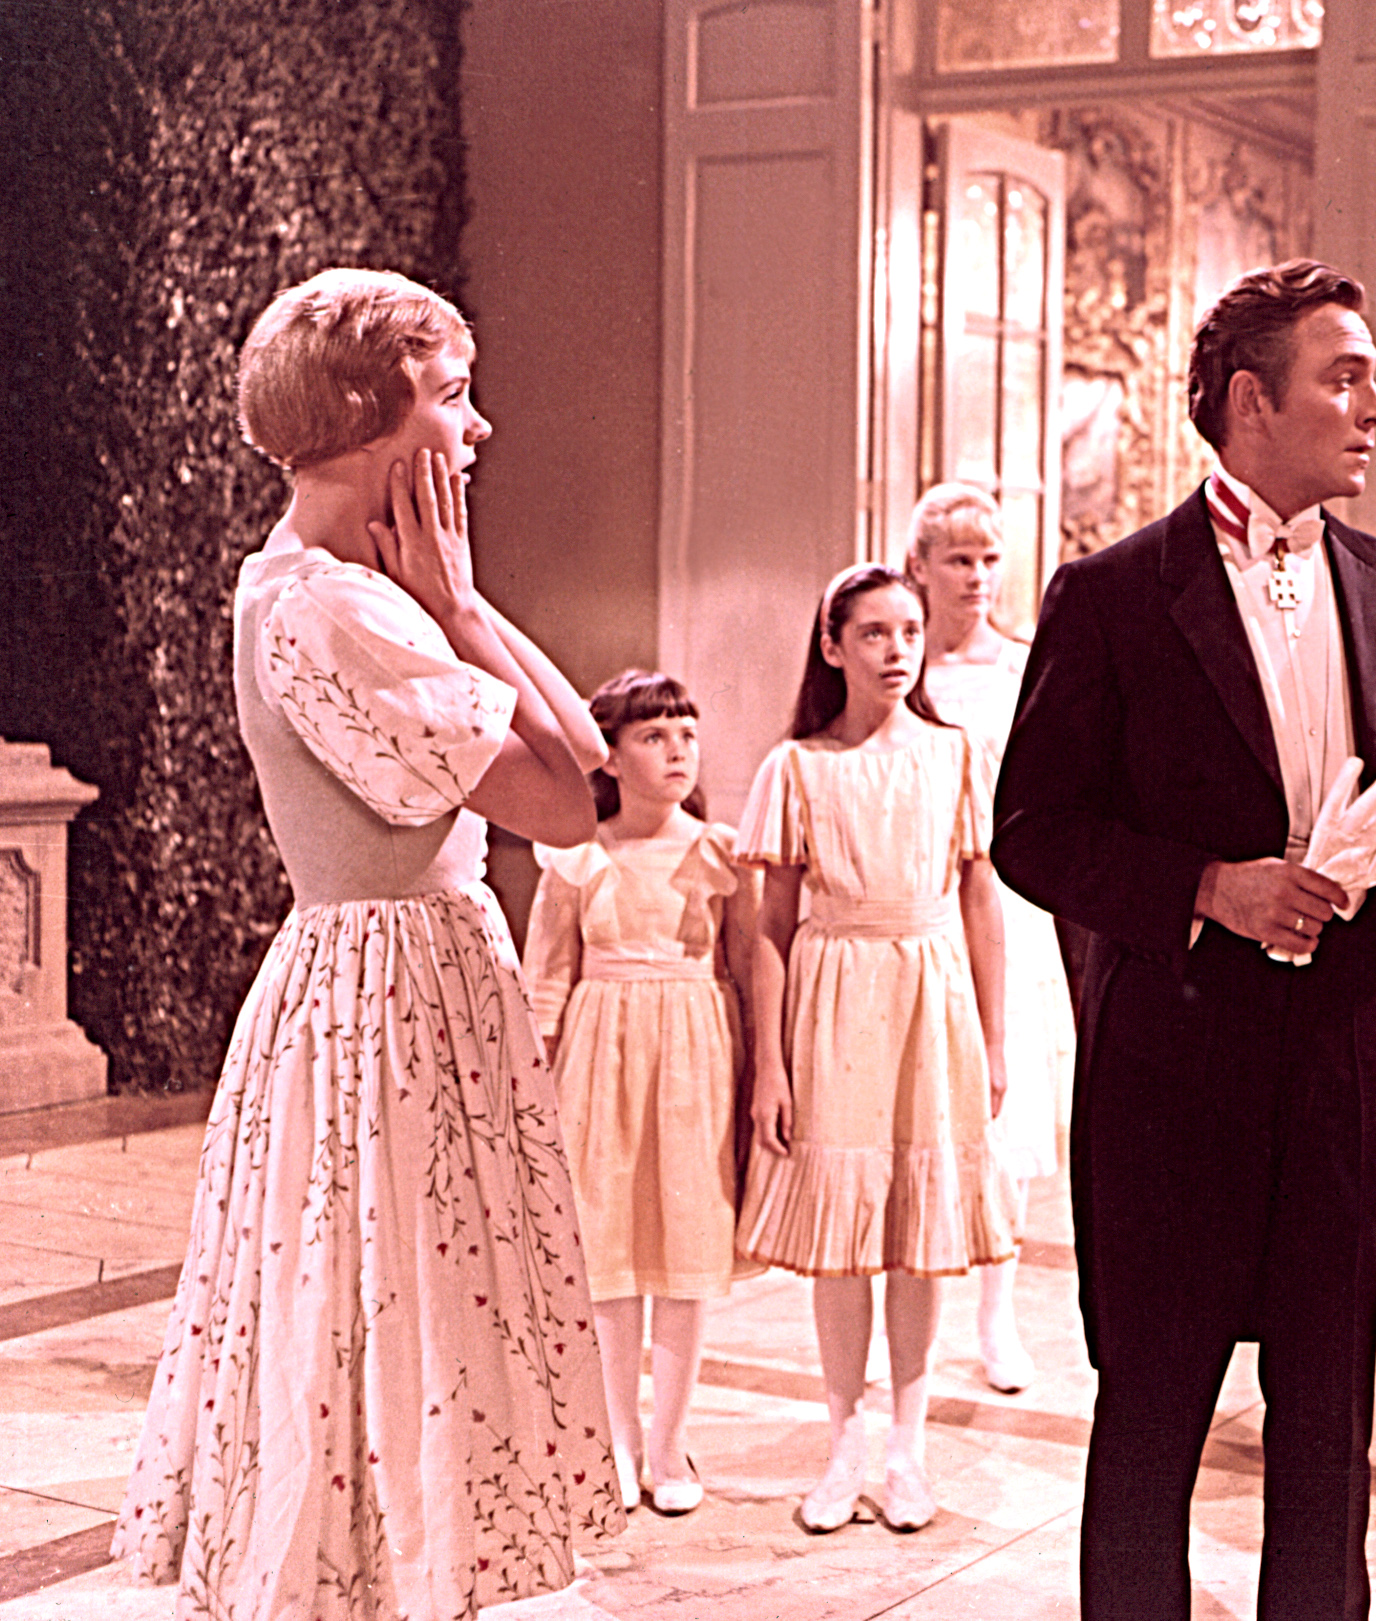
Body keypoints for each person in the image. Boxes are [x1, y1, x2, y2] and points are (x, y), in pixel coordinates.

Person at [115, 268, 621, 1619]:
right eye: (451, 397)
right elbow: (573, 805)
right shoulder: (335, 611)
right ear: (362, 423)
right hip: (389, 999)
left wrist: (459, 605)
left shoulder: (340, 589)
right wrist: (457, 610)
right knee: (392, 1319)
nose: (479, 426)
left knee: (390, 1316)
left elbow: (584, 768)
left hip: (399, 983)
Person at [992, 259, 1376, 1620]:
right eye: (1346, 377)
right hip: (1172, 1072)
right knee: (1151, 1421)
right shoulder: (1110, 595)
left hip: (1343, 1068)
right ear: (1251, 401)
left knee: (1328, 1422)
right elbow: (1031, 830)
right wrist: (1210, 886)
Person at [734, 563, 1017, 1536]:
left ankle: (908, 1445)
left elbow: (982, 902)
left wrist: (994, 1037)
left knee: (917, 1229)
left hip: (930, 995)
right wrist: (770, 1063)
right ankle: (843, 1441)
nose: (897, 651)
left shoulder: (954, 754)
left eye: (909, 631)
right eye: (873, 633)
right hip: (835, 995)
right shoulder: (797, 767)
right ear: (832, 646)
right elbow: (768, 929)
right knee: (844, 1236)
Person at [523, 669, 760, 1517]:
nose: (676, 751)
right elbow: (545, 978)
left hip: (694, 1058)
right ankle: (618, 1438)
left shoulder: (719, 854)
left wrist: (764, 1072)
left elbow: (749, 964)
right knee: (612, 1251)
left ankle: (670, 1440)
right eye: (654, 736)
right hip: (601, 1060)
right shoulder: (580, 855)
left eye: (687, 734)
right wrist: (536, 1084)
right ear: (612, 757)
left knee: (686, 1248)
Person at [907, 482, 1076, 1394]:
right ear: (921, 566)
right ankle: (916, 1320)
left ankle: (997, 1316)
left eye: (989, 559)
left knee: (1005, 1116)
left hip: (1008, 901)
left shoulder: (1023, 667)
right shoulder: (904, 670)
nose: (977, 576)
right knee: (922, 1111)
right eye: (959, 559)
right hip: (918, 899)